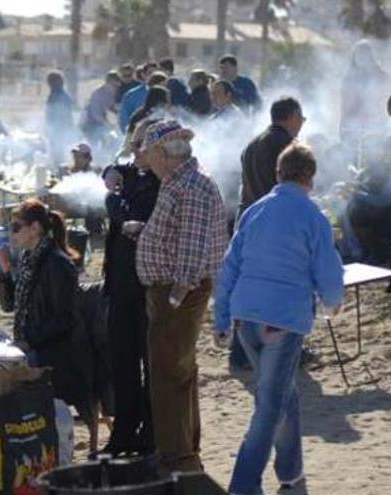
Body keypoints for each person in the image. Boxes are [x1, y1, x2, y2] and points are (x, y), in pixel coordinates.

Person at [214, 143, 344, 495]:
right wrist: (334, 301)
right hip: (282, 322)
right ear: (310, 178)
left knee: (284, 396)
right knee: (270, 406)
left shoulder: (254, 211)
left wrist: (222, 318)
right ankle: (244, 485)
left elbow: (230, 265)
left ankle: (291, 476)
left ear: (278, 174)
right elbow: (328, 269)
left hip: (246, 319)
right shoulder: (313, 216)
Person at [135, 120, 229, 472]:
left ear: (163, 153)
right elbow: (183, 237)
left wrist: (174, 296)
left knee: (168, 374)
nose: (149, 161)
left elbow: (192, 246)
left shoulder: (190, 184)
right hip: (177, 291)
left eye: (150, 153)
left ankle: (178, 459)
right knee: (179, 370)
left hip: (178, 293)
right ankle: (183, 452)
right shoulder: (184, 181)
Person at [99, 118, 162, 456]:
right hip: (120, 285)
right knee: (122, 363)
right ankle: (123, 431)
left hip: (147, 288)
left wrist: (112, 201)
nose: (134, 151)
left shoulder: (160, 183)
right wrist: (109, 171)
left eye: (142, 145)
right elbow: (112, 169)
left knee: (150, 366)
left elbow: (129, 219)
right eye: (133, 143)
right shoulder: (131, 173)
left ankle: (150, 435)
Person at [0, 199, 91, 412]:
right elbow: (9, 306)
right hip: (33, 344)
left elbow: (66, 318)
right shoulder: (29, 258)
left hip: (55, 352)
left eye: (16, 227)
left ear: (35, 228)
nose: (13, 234)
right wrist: (5, 271)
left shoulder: (57, 264)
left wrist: (29, 342)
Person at [231, 97, 306, 370]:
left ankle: (241, 353)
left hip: (249, 220)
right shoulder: (287, 147)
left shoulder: (252, 144)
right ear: (292, 116)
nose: (302, 124)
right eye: (301, 118)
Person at [340, 40, 391, 143]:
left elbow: (386, 102)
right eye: (358, 54)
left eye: (364, 54)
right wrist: (343, 127)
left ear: (371, 56)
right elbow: (345, 106)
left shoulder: (382, 76)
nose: (361, 57)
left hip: (376, 127)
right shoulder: (349, 78)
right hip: (353, 128)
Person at [81, 71, 121, 147]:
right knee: (93, 145)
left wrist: (118, 112)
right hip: (90, 123)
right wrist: (107, 124)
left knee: (106, 142)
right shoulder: (98, 93)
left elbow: (110, 105)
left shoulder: (111, 91)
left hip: (101, 121)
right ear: (108, 82)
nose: (116, 85)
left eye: (117, 82)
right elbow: (95, 113)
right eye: (114, 83)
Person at [45, 71, 76, 165]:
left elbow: (60, 112)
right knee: (58, 149)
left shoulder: (59, 95)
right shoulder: (60, 93)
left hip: (59, 127)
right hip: (58, 126)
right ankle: (59, 166)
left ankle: (60, 167)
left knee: (58, 149)